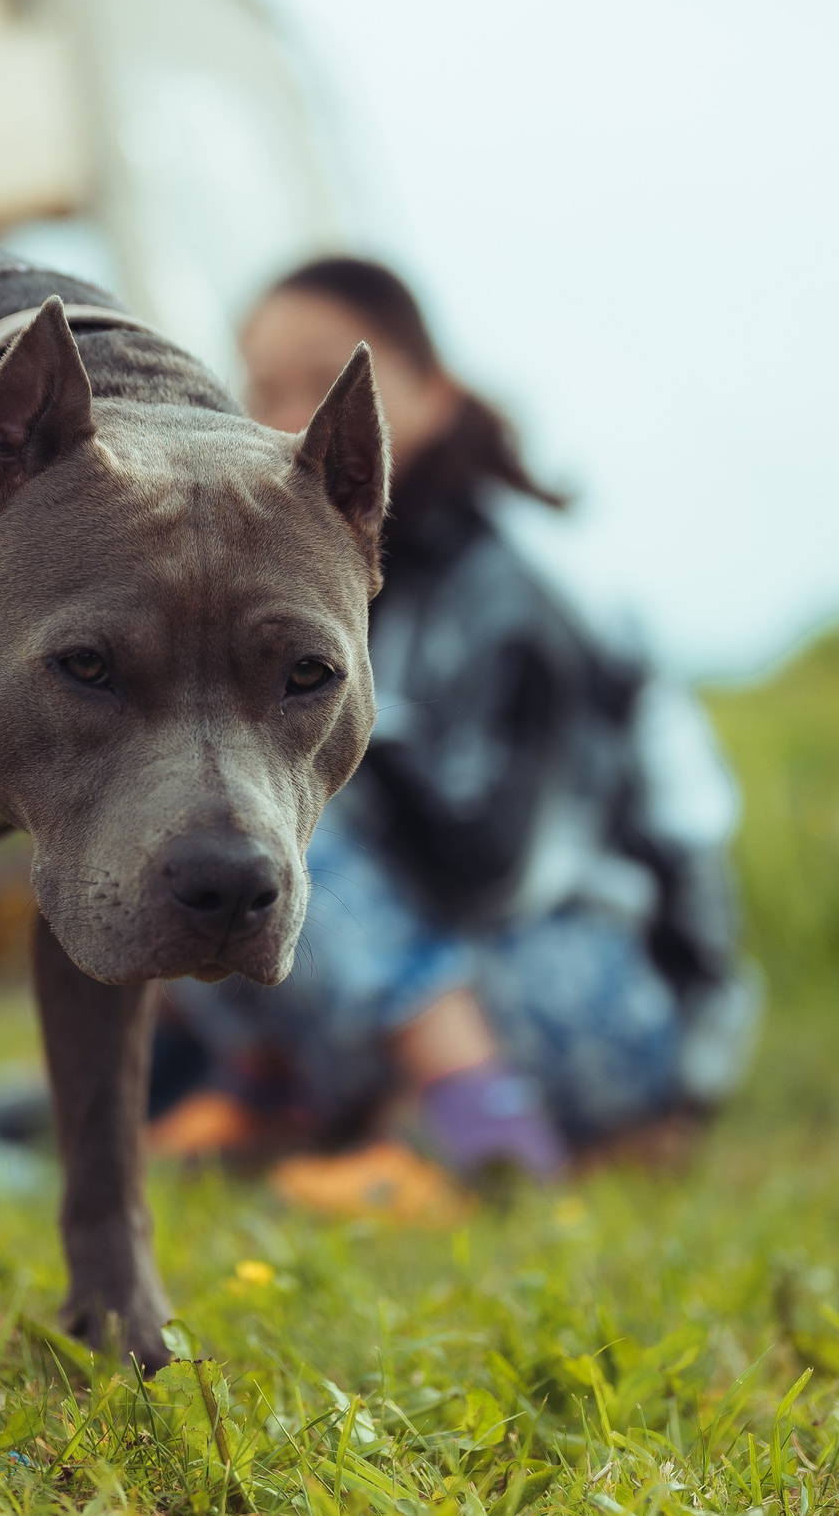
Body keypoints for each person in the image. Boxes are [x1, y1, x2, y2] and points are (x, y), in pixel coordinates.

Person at [148, 257, 760, 1208]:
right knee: (195, 766)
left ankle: (480, 1139)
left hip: (619, 1010)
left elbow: (495, 868)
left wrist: (359, 740)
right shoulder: (338, 588)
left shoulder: (515, 591)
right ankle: (272, 1090)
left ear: (429, 394)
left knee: (289, 774)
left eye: (327, 382)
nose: (290, 420)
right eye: (263, 388)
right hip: (481, 983)